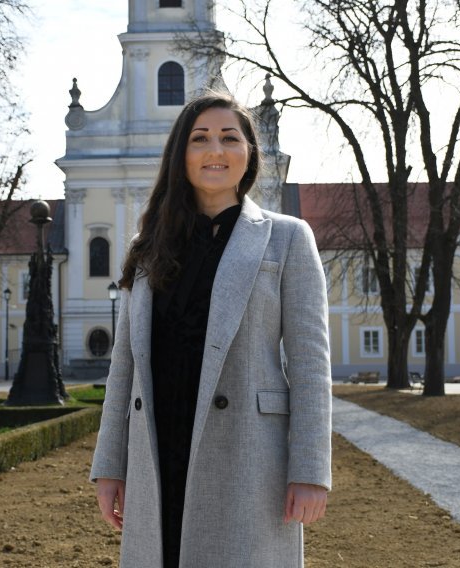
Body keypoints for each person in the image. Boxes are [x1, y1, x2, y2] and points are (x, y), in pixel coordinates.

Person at [90, 92, 332, 568]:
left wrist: (310, 470)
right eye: (200, 138)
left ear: (249, 155)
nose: (215, 150)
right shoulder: (148, 246)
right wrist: (109, 467)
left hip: (247, 452)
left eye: (229, 138)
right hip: (158, 446)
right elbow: (125, 366)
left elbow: (310, 365)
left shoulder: (286, 237)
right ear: (181, 155)